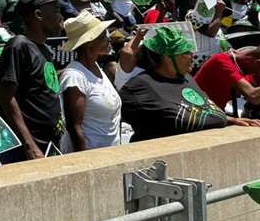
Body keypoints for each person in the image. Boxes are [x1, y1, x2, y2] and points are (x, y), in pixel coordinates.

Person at [120, 28, 260, 141]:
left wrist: (231, 120)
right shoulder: (140, 87)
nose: (193, 55)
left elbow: (202, 109)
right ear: (168, 58)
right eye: (186, 52)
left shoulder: (186, 78)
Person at [0, 0, 66, 162]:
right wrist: (29, 145)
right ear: (38, 15)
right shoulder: (19, 45)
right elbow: (6, 97)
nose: (61, 16)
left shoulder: (45, 49)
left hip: (51, 145)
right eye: (56, 10)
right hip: (30, 151)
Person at [59, 11, 122, 151]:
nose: (108, 39)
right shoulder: (74, 77)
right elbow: (75, 128)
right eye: (103, 36)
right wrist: (87, 164)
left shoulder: (96, 68)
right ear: (89, 43)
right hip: (92, 157)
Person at [195, 47, 260, 113]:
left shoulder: (246, 71)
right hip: (197, 112)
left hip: (213, 114)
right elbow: (253, 96)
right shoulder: (221, 61)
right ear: (258, 63)